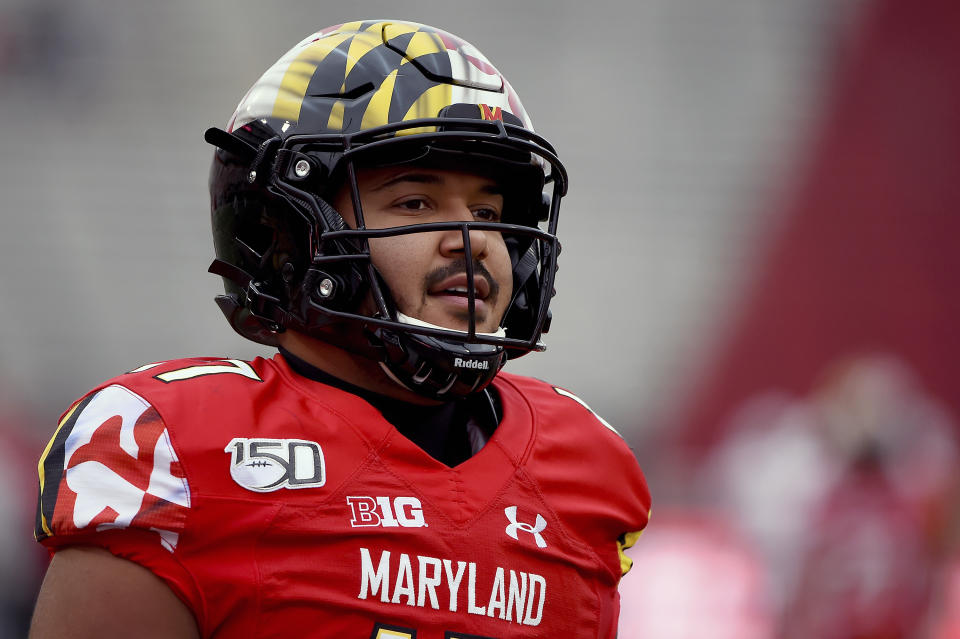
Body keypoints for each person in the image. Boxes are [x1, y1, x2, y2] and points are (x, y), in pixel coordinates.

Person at [29, 20, 651, 638]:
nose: (475, 241)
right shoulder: (173, 447)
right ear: (293, 231)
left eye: (487, 211)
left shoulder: (587, 464)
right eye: (415, 203)